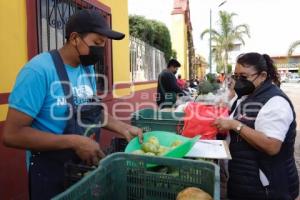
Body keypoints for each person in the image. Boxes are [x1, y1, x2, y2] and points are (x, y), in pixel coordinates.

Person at [2, 9, 143, 200]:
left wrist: (124, 128)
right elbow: (12, 134)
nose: (101, 50)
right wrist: (74, 142)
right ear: (75, 38)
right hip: (49, 174)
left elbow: (93, 111)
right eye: (97, 43)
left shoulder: (88, 70)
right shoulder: (38, 71)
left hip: (81, 168)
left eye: (104, 44)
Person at [213, 52, 299, 199]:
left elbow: (272, 146)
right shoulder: (248, 96)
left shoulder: (275, 102)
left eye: (244, 77)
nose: (239, 81)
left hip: (267, 188)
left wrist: (235, 125)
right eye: (236, 76)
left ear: (263, 76)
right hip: (245, 181)